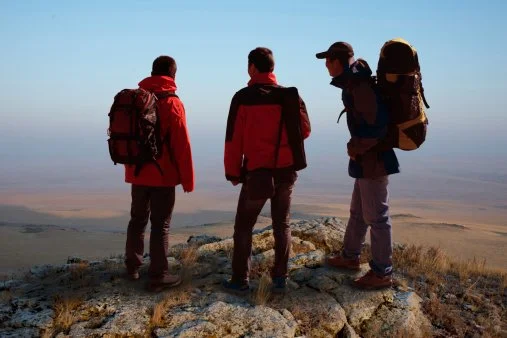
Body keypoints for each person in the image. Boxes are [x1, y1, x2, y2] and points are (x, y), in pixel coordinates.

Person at [223, 47, 311, 293]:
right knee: (282, 224)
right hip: (286, 171)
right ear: (272, 68)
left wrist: (233, 172)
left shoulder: (242, 98)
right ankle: (280, 279)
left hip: (257, 174)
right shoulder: (290, 96)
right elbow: (305, 131)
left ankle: (240, 280)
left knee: (243, 227)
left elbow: (233, 140)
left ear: (252, 67)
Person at [316, 42, 399, 289]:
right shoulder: (354, 83)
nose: (326, 65)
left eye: (329, 60)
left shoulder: (360, 86)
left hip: (375, 160)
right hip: (367, 160)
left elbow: (378, 127)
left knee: (377, 217)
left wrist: (355, 147)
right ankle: (350, 256)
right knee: (358, 211)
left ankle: (382, 272)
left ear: (339, 61)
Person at [124, 55, 194, 292]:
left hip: (138, 173)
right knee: (160, 225)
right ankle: (158, 275)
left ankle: (132, 267)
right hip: (163, 176)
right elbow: (181, 145)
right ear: (173, 75)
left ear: (152, 72)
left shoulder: (137, 99)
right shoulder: (172, 103)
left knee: (137, 220)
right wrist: (187, 179)